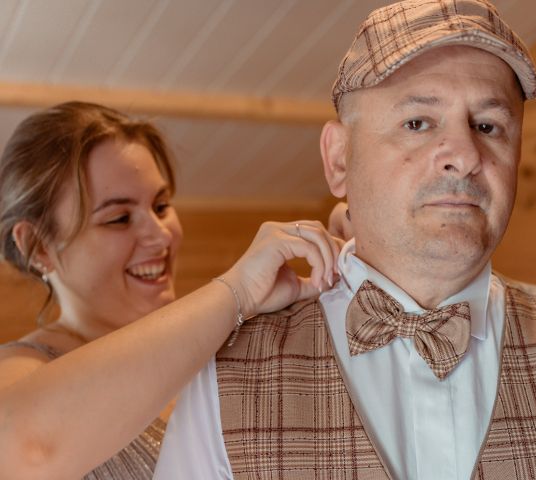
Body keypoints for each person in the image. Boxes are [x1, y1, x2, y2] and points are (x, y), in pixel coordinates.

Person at [154, 1, 536, 479]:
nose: (465, 155)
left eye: (488, 126)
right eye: (418, 123)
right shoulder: (225, 376)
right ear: (340, 160)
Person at [0, 101, 347, 479]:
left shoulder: (219, 343)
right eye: (119, 219)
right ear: (38, 246)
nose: (160, 234)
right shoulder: (21, 370)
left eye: (161, 206)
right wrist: (235, 292)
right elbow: (24, 448)